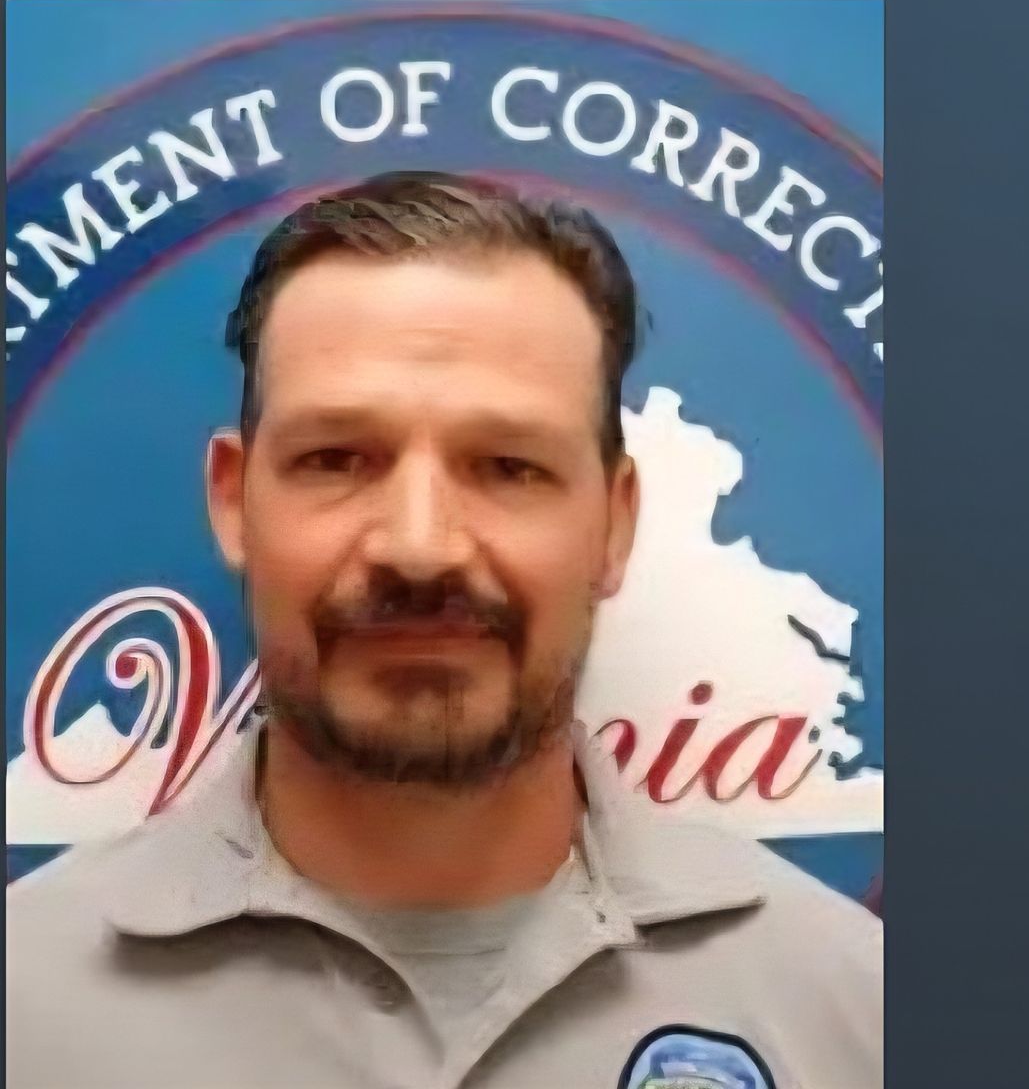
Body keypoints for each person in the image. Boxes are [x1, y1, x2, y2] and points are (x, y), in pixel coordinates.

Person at [5, 172, 882, 1089]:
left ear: (615, 524)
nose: (419, 548)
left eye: (508, 466)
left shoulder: (856, 1012)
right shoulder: (23, 1003)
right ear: (233, 502)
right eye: (336, 459)